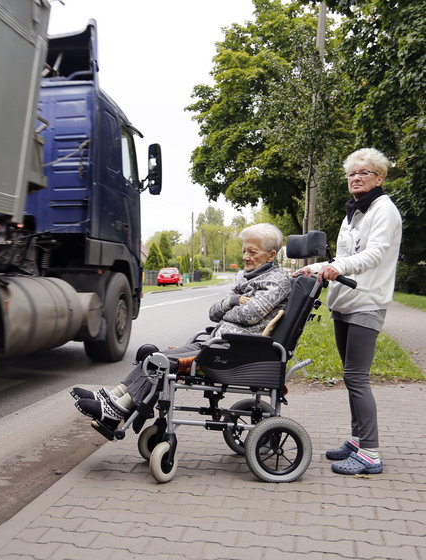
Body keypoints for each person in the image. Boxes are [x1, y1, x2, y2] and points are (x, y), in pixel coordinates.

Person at [72, 223, 291, 432]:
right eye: (244, 251)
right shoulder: (245, 278)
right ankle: (114, 397)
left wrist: (234, 308)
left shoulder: (277, 281)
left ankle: (116, 410)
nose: (245, 257)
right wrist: (234, 301)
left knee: (161, 362)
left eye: (252, 252)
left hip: (234, 353)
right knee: (155, 356)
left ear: (271, 255)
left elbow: (250, 315)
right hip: (218, 345)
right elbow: (214, 312)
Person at [294, 147, 402, 476]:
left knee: (357, 377)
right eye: (351, 174)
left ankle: (370, 453)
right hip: (344, 302)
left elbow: (375, 255)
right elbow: (342, 255)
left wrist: (333, 267)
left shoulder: (384, 210)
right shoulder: (354, 212)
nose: (355, 178)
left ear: (379, 177)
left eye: (363, 173)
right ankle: (357, 440)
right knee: (349, 375)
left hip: (366, 301)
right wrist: (317, 268)